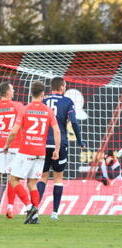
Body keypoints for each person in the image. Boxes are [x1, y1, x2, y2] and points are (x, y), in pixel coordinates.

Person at [3, 81, 60, 224]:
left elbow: (14, 131)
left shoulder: (25, 109)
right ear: (42, 94)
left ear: (30, 93)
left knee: (13, 179)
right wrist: (57, 150)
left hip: (25, 151)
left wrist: (7, 145)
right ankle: (34, 216)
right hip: (40, 152)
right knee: (32, 183)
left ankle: (29, 207)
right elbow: (57, 131)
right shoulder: (48, 110)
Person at [36, 77, 85, 221]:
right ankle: (55, 213)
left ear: (52, 87)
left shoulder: (43, 100)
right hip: (60, 142)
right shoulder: (68, 102)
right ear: (62, 87)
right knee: (58, 177)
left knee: (43, 177)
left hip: (43, 143)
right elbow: (74, 122)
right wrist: (79, 140)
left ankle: (35, 210)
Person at [0, 82, 24, 219]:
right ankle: (10, 206)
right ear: (7, 92)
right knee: (13, 178)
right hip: (13, 146)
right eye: (12, 89)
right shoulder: (18, 106)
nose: (14, 91)